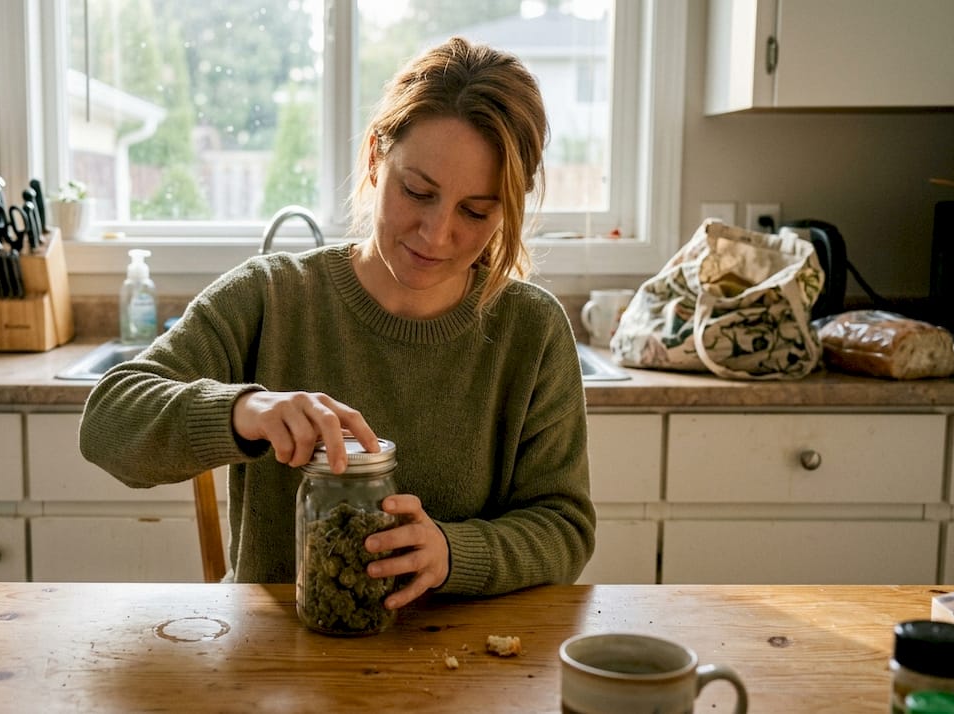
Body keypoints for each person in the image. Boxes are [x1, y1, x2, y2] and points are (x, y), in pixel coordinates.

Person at [80, 36, 595, 609]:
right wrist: (243, 410)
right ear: (377, 159)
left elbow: (564, 527)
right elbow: (107, 424)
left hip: (461, 664)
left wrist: (452, 552)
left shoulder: (532, 330)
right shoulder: (272, 297)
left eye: (476, 211)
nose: (436, 232)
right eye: (417, 191)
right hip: (275, 655)